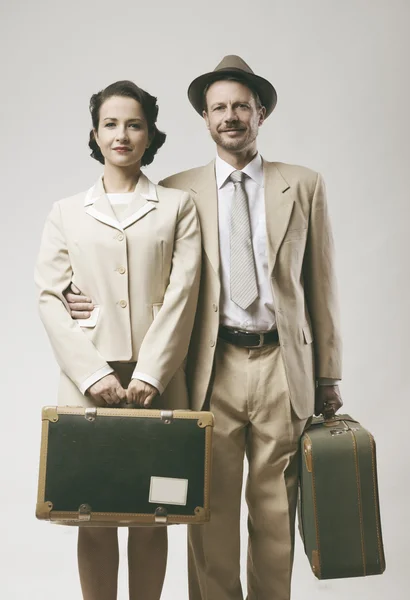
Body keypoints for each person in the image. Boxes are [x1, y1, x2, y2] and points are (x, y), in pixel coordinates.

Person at [65, 56, 343, 600]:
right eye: (219, 107)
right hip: (208, 368)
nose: (231, 116)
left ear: (261, 112)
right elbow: (144, 276)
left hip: (284, 367)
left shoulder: (303, 185)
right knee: (205, 509)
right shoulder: (175, 191)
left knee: (275, 512)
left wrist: (328, 374)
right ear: (204, 117)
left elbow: (322, 286)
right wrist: (86, 299)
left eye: (242, 105)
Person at [35, 80, 201, 600]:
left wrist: (152, 372)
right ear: (95, 133)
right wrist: (93, 374)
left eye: (134, 124)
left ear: (150, 134)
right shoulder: (65, 211)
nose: (122, 134)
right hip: (89, 381)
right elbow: (49, 297)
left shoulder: (178, 206)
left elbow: (184, 292)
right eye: (111, 124)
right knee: (94, 510)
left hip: (158, 379)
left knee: (155, 510)